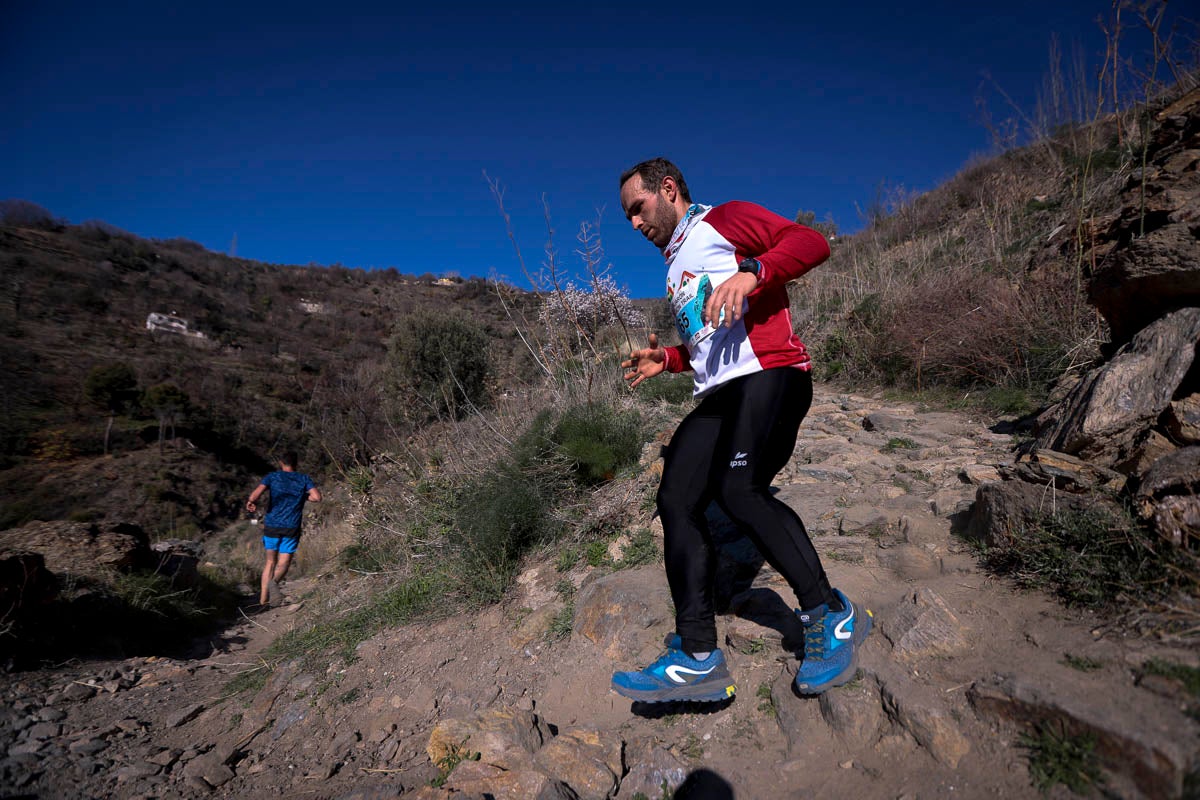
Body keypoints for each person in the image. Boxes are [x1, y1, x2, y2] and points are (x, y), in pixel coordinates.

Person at [611, 158, 871, 703]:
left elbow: (809, 243)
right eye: (628, 217)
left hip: (773, 374)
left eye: (638, 208)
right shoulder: (674, 267)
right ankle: (697, 656)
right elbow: (711, 344)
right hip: (723, 394)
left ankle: (831, 615)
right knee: (676, 497)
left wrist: (753, 271)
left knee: (739, 489)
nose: (634, 223)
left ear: (668, 188)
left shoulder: (724, 220)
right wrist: (670, 359)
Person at [245, 451, 321, 607]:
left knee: (270, 562)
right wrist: (302, 496)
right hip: (291, 526)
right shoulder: (303, 479)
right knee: (284, 562)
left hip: (272, 525)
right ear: (296, 463)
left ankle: (263, 601)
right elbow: (317, 497)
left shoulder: (272, 477)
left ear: (281, 463)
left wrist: (251, 501)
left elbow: (255, 494)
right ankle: (274, 582)